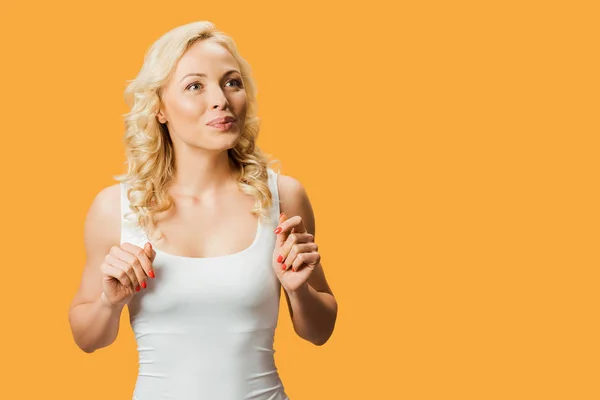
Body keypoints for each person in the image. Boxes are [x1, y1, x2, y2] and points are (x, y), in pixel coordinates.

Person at [67, 21, 338, 399]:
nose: (221, 100)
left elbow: (320, 331)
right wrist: (109, 303)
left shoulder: (283, 197)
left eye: (231, 82)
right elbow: (86, 338)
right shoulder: (116, 208)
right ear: (159, 108)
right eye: (195, 86)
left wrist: (299, 292)